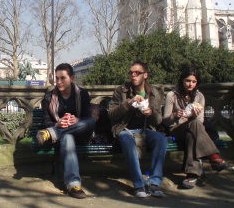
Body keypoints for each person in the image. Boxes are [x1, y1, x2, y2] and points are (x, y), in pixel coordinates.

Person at [108, 61, 167, 198]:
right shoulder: (121, 90)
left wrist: (150, 113)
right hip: (124, 129)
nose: (133, 75)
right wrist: (128, 103)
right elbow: (111, 115)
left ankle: (154, 183)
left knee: (161, 139)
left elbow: (158, 121)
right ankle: (139, 184)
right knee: (127, 140)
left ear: (145, 75)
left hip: (146, 130)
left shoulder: (154, 93)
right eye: (131, 73)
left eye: (137, 73)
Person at [36, 63, 95, 199]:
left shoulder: (82, 94)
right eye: (57, 78)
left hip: (80, 132)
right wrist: (57, 123)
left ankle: (53, 132)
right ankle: (73, 184)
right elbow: (46, 122)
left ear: (72, 78)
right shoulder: (49, 97)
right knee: (68, 137)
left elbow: (88, 118)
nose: (59, 82)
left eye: (63, 78)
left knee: (90, 122)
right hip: (63, 138)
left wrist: (77, 120)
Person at [163, 66, 228, 189]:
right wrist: (175, 115)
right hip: (176, 130)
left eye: (194, 82)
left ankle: (191, 175)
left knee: (192, 132)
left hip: (193, 130)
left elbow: (200, 121)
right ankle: (213, 157)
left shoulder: (199, 96)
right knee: (193, 127)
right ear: (182, 80)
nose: (190, 84)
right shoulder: (172, 95)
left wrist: (194, 115)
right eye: (187, 80)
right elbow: (165, 121)